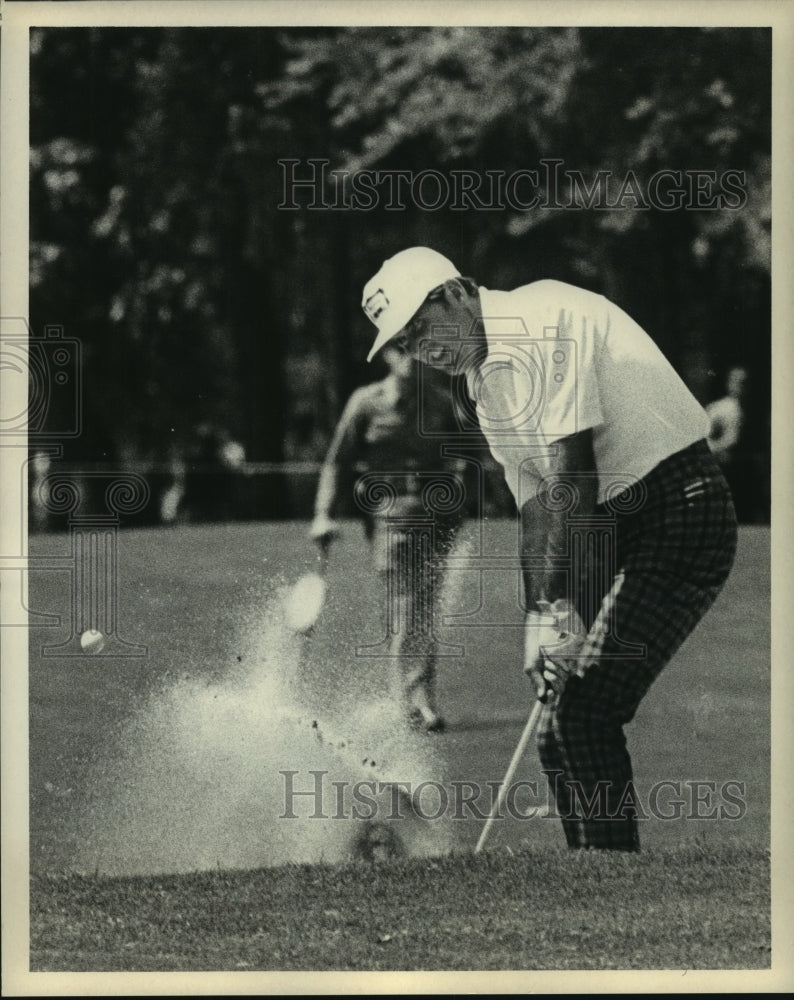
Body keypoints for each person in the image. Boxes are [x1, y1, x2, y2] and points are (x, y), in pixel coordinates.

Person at [361, 246, 738, 851]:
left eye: (422, 327)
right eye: (406, 343)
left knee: (584, 715)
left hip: (679, 508)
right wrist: (538, 616)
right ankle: (591, 875)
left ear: (456, 292)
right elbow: (534, 506)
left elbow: (572, 475)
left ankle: (609, 883)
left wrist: (562, 606)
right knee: (556, 728)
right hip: (613, 521)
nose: (421, 349)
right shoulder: (483, 386)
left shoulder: (539, 321)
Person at [310, 341, 465, 733]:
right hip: (388, 517)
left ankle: (421, 698)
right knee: (405, 609)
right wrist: (324, 515)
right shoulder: (365, 402)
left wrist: (461, 498)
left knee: (425, 611)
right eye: (403, 350)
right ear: (388, 355)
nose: (412, 358)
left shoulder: (442, 403)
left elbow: (468, 456)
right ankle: (409, 703)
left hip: (435, 518)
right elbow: (337, 462)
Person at [706, 365, 755, 522]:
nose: (740, 386)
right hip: (724, 465)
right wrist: (717, 449)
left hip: (743, 467)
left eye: (744, 382)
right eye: (736, 381)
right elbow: (703, 436)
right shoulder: (718, 408)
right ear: (728, 383)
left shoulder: (752, 410)